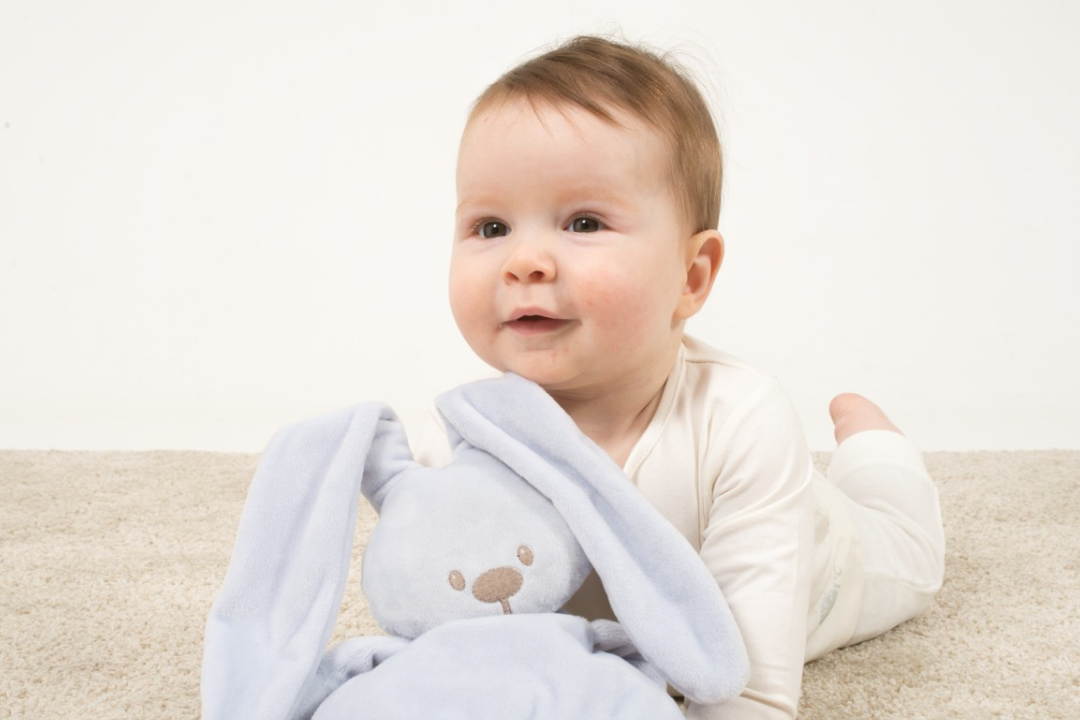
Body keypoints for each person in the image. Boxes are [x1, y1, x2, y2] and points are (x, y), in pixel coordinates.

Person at [413, 35, 945, 720]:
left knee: (908, 555)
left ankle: (877, 445)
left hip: (818, 568)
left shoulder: (741, 420)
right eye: (490, 226)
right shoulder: (456, 441)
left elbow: (748, 691)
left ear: (690, 277)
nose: (525, 260)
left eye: (583, 221)